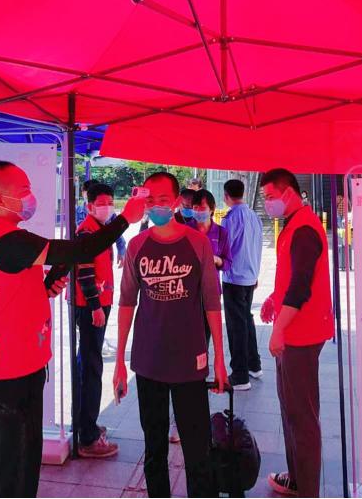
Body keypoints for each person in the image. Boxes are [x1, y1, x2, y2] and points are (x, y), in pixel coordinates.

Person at [0, 161, 145, 498]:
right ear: (1, 200)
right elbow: (81, 249)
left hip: (23, 362)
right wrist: (125, 218)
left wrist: (45, 287)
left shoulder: (8, 240)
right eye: (23, 191)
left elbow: (21, 288)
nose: (31, 197)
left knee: (22, 459)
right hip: (10, 369)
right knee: (11, 467)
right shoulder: (7, 240)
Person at [114, 171, 227, 498]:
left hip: (189, 363)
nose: (155, 206)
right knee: (154, 449)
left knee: (197, 449)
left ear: (177, 202)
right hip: (148, 362)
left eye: (163, 200)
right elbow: (126, 303)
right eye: (149, 200)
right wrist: (120, 360)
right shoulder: (137, 246)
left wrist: (220, 359)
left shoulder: (197, 243)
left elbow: (212, 303)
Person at [259, 168, 334, 498]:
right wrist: (273, 300)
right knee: (291, 409)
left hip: (301, 335)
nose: (267, 203)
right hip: (295, 331)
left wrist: (279, 329)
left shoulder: (304, 228)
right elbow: (292, 278)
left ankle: (308, 490)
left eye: (270, 196)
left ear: (289, 193)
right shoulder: (293, 225)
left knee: (301, 416)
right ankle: (298, 478)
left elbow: (302, 288)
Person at [75, 183, 121, 458]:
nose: (107, 207)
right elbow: (84, 273)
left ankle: (86, 425)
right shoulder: (86, 232)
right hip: (91, 307)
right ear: (90, 206)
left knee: (89, 364)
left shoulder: (101, 229)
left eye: (110, 202)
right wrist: (95, 307)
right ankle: (88, 437)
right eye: (101, 203)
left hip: (100, 303)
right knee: (91, 368)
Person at [220, 179, 263, 391]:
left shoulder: (230, 219)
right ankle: (254, 365)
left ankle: (240, 374)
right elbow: (258, 246)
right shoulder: (254, 216)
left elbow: (224, 249)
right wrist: (256, 273)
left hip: (234, 278)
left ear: (226, 196)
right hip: (250, 276)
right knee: (246, 320)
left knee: (236, 325)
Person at [190, 188, 232, 346]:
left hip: (211, 291)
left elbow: (228, 263)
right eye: (195, 208)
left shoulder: (221, 233)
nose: (198, 211)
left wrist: (217, 260)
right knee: (187, 335)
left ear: (212, 209)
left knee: (204, 336)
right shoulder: (185, 230)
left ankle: (204, 359)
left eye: (202, 208)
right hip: (187, 291)